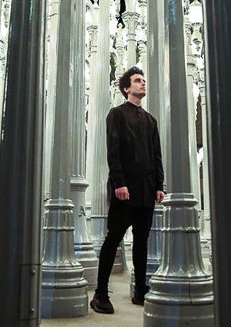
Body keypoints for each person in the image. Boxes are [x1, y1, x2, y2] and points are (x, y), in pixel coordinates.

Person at [90, 66, 165, 314]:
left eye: (144, 80)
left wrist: (159, 186)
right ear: (126, 88)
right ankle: (100, 294)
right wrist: (119, 183)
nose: (143, 83)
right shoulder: (117, 114)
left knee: (142, 242)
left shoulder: (151, 120)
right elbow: (113, 151)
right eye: (137, 80)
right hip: (125, 189)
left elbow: (156, 155)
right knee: (113, 239)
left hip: (146, 191)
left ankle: (140, 291)